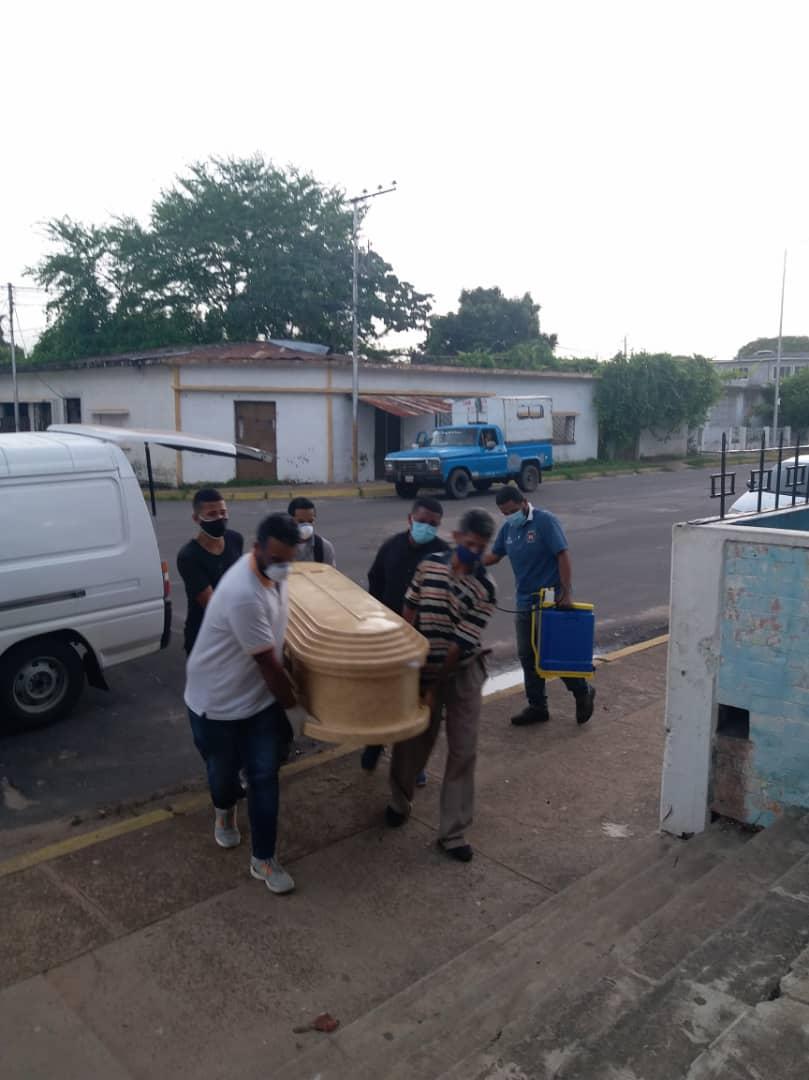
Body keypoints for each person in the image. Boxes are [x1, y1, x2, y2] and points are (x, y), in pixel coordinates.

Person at [185, 513, 305, 895]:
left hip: (256, 703)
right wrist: (298, 707)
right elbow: (269, 666)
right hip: (215, 704)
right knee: (222, 777)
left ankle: (263, 860)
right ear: (257, 549)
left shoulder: (274, 571)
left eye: (290, 559)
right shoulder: (243, 593)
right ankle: (223, 812)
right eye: (277, 560)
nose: (284, 567)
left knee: (264, 777)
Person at [386, 507, 497, 863]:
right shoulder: (428, 566)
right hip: (420, 664)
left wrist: (432, 688)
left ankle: (453, 833)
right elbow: (409, 610)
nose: (475, 553)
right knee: (413, 740)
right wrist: (407, 665)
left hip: (460, 671)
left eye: (481, 547)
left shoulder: (485, 589)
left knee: (463, 750)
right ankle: (399, 802)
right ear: (455, 538)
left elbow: (456, 648)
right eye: (470, 544)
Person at [485, 485, 596, 727]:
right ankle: (537, 706)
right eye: (504, 513)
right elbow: (495, 555)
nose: (509, 516)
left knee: (552, 653)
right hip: (525, 600)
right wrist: (470, 562)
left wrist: (565, 592)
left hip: (550, 599)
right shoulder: (509, 529)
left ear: (524, 502)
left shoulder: (545, 522)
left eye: (512, 510)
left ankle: (582, 691)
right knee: (527, 654)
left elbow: (563, 555)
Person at [361, 496, 450, 777]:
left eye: (433, 524)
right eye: (422, 521)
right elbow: (375, 584)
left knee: (414, 701)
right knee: (380, 694)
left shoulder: (444, 555)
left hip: (424, 643)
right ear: (410, 519)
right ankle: (374, 744)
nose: (426, 527)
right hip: (388, 636)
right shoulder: (392, 547)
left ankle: (412, 761)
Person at [177, 488, 244, 655]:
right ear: (196, 519)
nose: (220, 518)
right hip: (204, 638)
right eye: (212, 514)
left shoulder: (235, 539)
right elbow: (212, 605)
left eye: (223, 512)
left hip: (234, 633)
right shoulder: (189, 556)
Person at [288, 497, 336, 566]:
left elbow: (330, 575)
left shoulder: (324, 547)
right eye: (300, 521)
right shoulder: (279, 548)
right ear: (289, 520)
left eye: (310, 521)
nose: (306, 526)